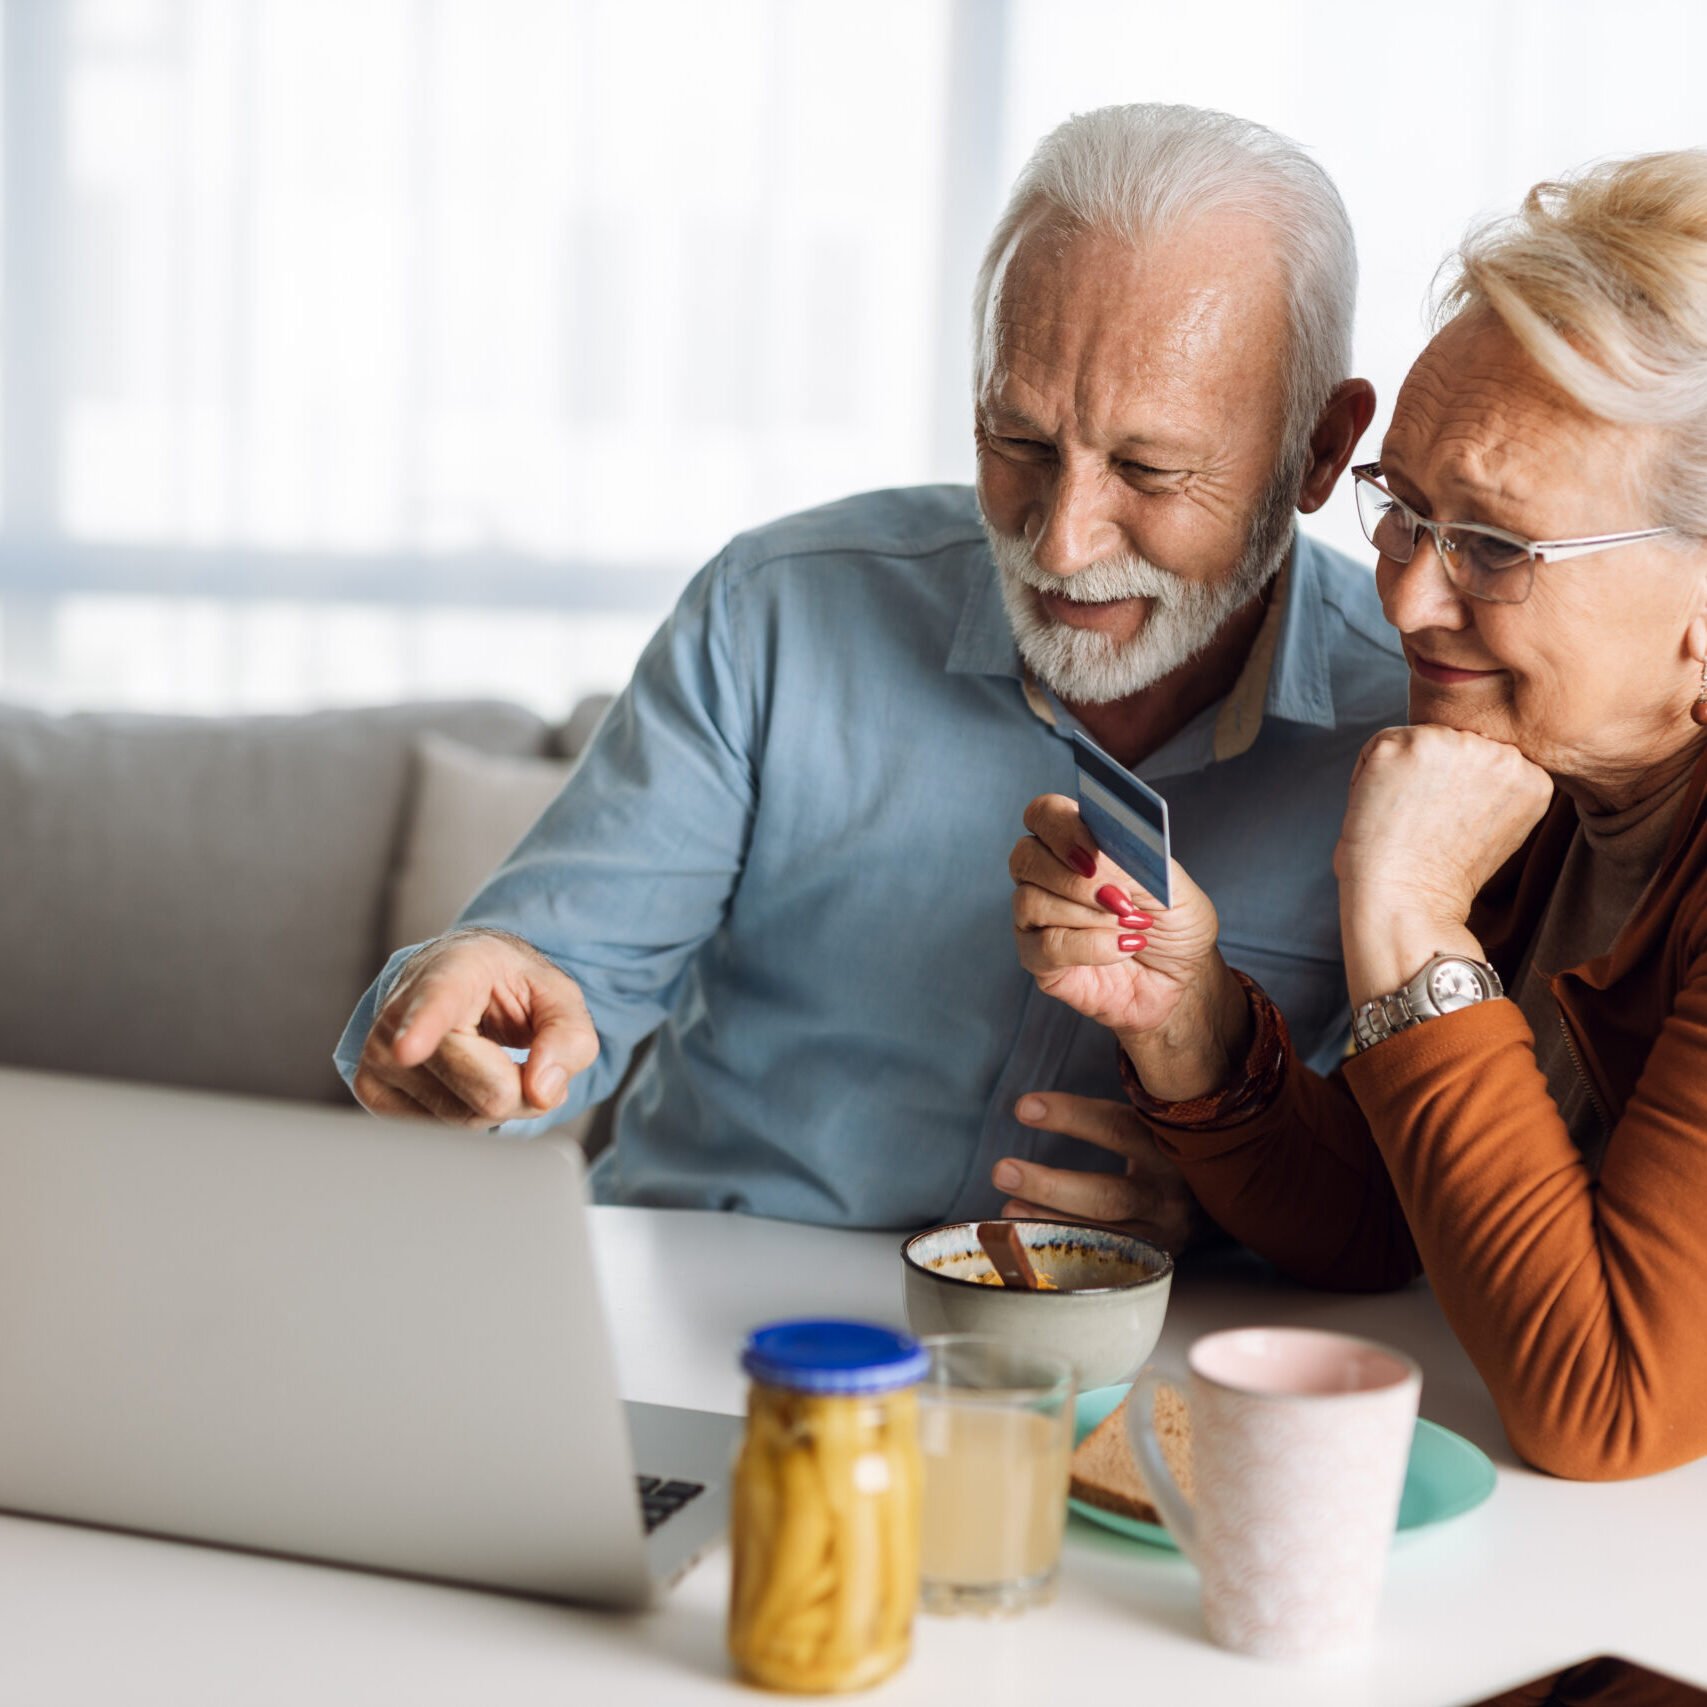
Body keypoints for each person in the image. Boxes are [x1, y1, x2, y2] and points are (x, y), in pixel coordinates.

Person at [337, 103, 1407, 1234]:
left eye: (1148, 467)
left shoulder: (1410, 732)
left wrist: (1242, 1218)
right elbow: (553, 978)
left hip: (1112, 1372)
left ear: (1322, 450)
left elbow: (1405, 1202)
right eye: (1020, 443)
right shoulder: (780, 609)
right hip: (704, 1313)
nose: (1059, 543)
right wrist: (470, 1025)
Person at [1010, 150, 1707, 1479]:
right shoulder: (1534, 777)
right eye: (1404, 512)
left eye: (1494, 547)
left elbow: (1602, 1402)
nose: (1400, 603)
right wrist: (1186, 1012)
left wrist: (1406, 920)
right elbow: (1393, 1219)